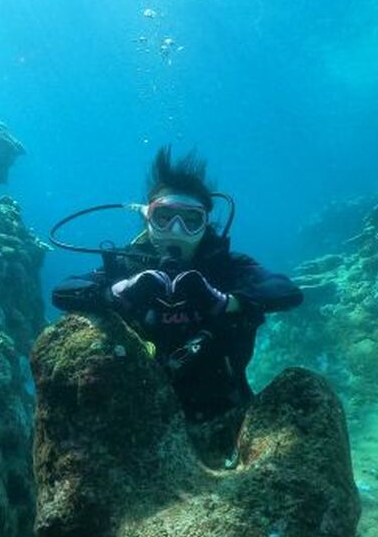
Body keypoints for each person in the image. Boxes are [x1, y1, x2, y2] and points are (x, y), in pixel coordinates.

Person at [52, 146, 303, 439]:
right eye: (164, 217)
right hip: (138, 420)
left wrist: (225, 302)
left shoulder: (225, 266)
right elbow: (63, 292)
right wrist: (116, 292)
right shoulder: (126, 266)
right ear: (147, 218)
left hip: (226, 417)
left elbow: (287, 291)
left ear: (206, 224)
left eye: (191, 220)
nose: (176, 230)